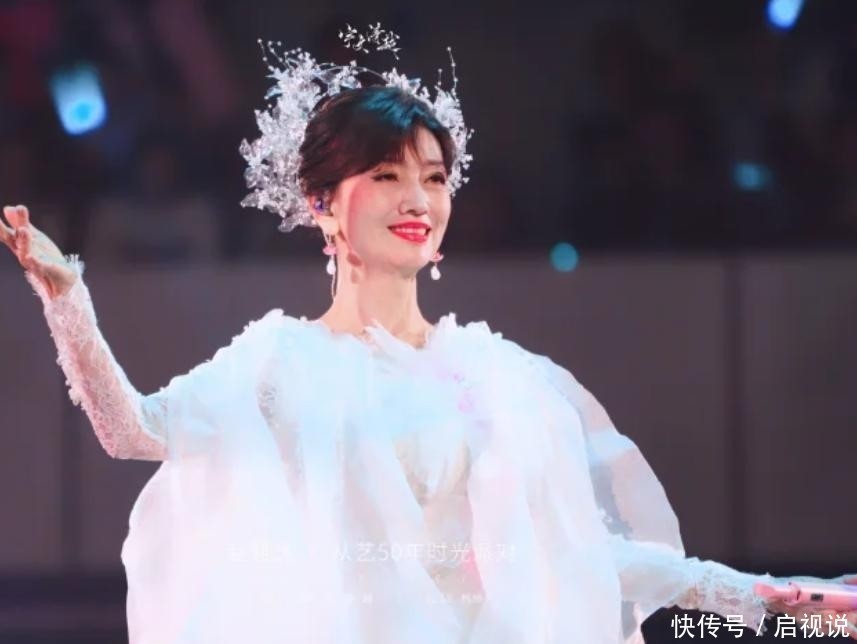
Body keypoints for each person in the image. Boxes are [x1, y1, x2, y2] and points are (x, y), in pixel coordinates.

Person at [2, 29, 856, 644]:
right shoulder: (280, 361)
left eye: (434, 177)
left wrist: (767, 600)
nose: (418, 199)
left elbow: (574, 552)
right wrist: (67, 299)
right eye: (386, 175)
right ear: (322, 204)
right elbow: (132, 429)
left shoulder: (497, 374)